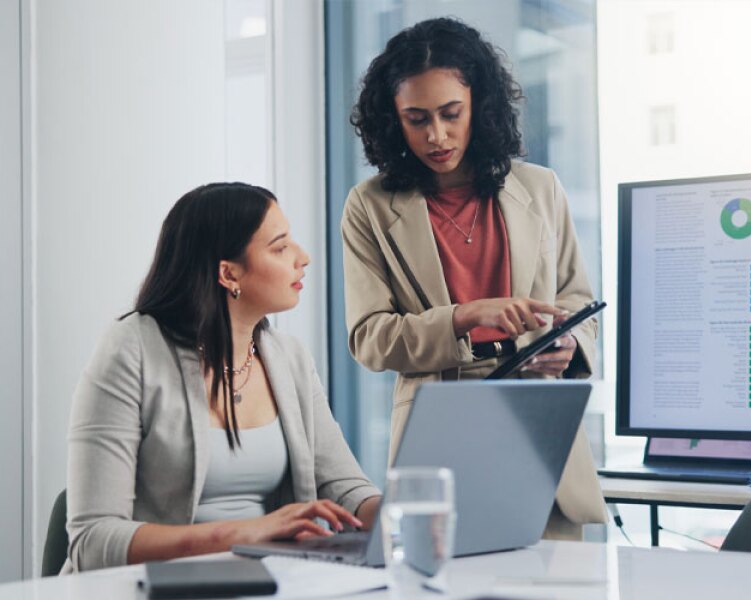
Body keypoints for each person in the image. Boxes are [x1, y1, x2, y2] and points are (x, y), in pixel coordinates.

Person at [342, 17, 606, 539]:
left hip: (535, 415)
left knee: (551, 579)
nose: (436, 136)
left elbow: (579, 303)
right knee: (437, 575)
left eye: (450, 114)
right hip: (439, 421)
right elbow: (369, 339)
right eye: (416, 119)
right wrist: (464, 317)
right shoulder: (368, 206)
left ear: (478, 106)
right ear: (393, 121)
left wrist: (569, 344)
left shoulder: (541, 188)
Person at [65, 183, 381, 572]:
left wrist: (408, 509)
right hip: (152, 588)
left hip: (267, 582)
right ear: (229, 273)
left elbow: (346, 489)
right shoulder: (131, 350)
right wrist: (247, 532)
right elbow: (92, 540)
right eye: (280, 247)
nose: (303, 257)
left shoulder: (290, 358)